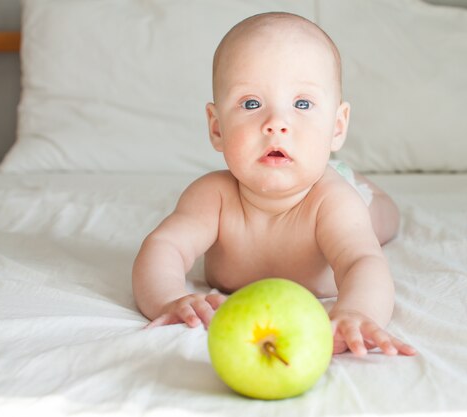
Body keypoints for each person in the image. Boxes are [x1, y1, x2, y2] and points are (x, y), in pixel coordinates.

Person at [132, 12, 416, 357]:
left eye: (302, 103)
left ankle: (359, 182)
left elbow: (363, 262)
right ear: (217, 127)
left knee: (380, 218)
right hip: (310, 178)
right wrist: (169, 299)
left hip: (342, 190)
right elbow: (164, 246)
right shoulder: (211, 197)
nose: (276, 123)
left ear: (337, 127)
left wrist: (356, 313)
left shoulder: (334, 202)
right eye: (251, 103)